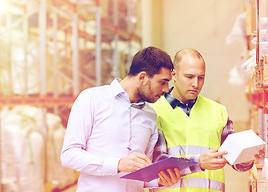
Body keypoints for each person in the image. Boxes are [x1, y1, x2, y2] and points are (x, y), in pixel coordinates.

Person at [60, 46, 180, 192]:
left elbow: (142, 175)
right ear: (142, 77)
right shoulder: (91, 99)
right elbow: (69, 155)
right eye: (163, 82)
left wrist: (159, 181)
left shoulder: (150, 115)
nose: (167, 89)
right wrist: (118, 164)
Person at [150, 49, 257, 192]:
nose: (196, 83)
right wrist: (198, 162)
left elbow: (234, 159)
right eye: (189, 77)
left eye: (201, 77)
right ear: (174, 75)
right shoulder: (154, 112)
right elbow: (157, 162)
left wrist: (247, 157)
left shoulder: (218, 111)